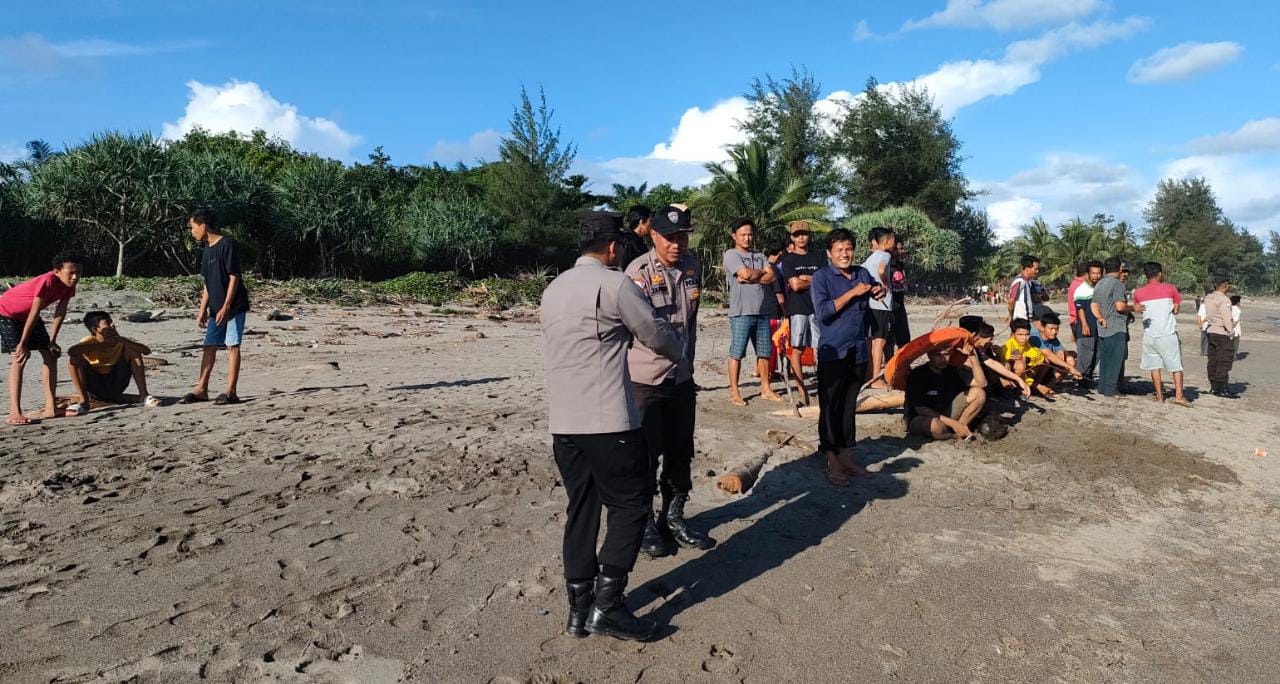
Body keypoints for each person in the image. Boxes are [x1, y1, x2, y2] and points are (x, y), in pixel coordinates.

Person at [541, 210, 683, 642]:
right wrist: (677, 347)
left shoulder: (553, 288)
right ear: (614, 247)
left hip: (563, 422)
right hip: (608, 420)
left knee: (581, 509)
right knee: (630, 506)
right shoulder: (615, 283)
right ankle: (609, 606)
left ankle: (577, 611)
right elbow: (654, 334)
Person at [625, 206, 714, 559]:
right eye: (670, 237)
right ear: (653, 236)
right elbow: (639, 329)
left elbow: (689, 325)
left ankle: (673, 518)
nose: (677, 243)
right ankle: (644, 523)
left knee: (680, 451)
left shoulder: (692, 268)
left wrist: (688, 365)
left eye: (683, 236)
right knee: (645, 455)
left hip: (681, 378)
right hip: (646, 380)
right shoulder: (638, 274)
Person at [810, 228, 883, 486]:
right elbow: (823, 312)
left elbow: (875, 286)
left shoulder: (861, 272)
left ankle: (847, 455)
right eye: (839, 250)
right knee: (830, 406)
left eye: (849, 249)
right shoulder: (821, 278)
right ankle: (831, 458)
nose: (845, 254)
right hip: (833, 351)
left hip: (858, 351)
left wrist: (878, 291)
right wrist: (852, 293)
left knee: (849, 406)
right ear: (829, 253)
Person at [1, 252, 82, 425]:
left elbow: (60, 311)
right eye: (71, 273)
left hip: (29, 316)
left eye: (79, 273)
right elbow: (35, 311)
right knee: (20, 357)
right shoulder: (48, 281)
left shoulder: (69, 285)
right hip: (8, 313)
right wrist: (22, 343)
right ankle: (15, 412)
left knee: (51, 354)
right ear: (57, 271)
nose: (75, 277)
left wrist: (52, 340)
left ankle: (50, 407)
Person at [181, 208, 250, 406]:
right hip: (215, 308)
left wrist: (227, 306)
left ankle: (231, 391)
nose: (192, 231)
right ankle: (201, 388)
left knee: (232, 345)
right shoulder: (207, 249)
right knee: (209, 346)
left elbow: (234, 276)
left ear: (203, 226)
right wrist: (203, 309)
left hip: (233, 306)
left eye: (193, 227)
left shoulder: (227, 244)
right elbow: (207, 283)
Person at [723, 218, 781, 406]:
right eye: (743, 234)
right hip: (741, 312)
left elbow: (771, 277)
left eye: (749, 234)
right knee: (737, 352)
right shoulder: (731, 255)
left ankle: (765, 388)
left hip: (762, 311)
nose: (747, 238)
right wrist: (757, 274)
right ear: (734, 236)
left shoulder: (759, 254)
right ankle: (734, 392)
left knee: (764, 352)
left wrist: (750, 277)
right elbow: (745, 274)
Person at [66, 311, 163, 414]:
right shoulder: (89, 341)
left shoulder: (119, 341)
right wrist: (103, 345)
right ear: (95, 329)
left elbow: (146, 351)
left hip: (116, 382)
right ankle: (84, 401)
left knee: (133, 351)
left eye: (111, 321)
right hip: (95, 385)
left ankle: (144, 396)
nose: (112, 325)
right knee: (74, 360)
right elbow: (72, 351)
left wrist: (123, 340)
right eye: (107, 323)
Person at [778, 221, 825, 405]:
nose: (801, 238)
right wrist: (811, 280)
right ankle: (801, 389)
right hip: (798, 309)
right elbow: (795, 285)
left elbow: (823, 282)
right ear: (792, 237)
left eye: (804, 234)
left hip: (817, 307)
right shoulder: (788, 260)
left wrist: (806, 279)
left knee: (820, 348)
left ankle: (823, 386)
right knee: (797, 348)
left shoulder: (818, 257)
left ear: (809, 235)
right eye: (797, 235)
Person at [1132, 262, 1189, 407]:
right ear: (1159, 273)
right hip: (1167, 334)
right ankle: (1179, 395)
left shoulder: (1138, 293)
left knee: (1154, 366)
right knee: (1176, 366)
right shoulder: (1171, 289)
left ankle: (1159, 395)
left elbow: (1138, 308)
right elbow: (1176, 310)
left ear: (1146, 275)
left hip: (1149, 335)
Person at [906, 347, 987, 440]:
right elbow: (921, 409)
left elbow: (981, 383)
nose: (943, 359)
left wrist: (973, 358)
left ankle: (962, 427)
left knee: (979, 393)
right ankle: (954, 435)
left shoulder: (952, 370)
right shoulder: (918, 374)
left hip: (948, 412)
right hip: (924, 417)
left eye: (946, 354)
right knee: (934, 426)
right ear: (929, 355)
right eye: (938, 355)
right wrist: (953, 423)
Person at [1090, 258, 1135, 398]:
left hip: (1103, 328)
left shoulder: (1099, 284)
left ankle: (1103, 387)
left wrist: (1100, 318)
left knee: (1105, 360)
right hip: (1116, 327)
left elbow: (1094, 305)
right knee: (1115, 360)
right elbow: (1120, 306)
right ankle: (1111, 389)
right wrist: (1134, 308)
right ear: (1119, 269)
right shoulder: (1117, 284)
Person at [862, 227, 896, 388]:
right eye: (893, 240)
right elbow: (882, 269)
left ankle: (869, 375)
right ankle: (876, 378)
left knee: (870, 340)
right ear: (887, 241)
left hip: (869, 303)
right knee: (880, 341)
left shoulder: (870, 258)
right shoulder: (885, 255)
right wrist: (886, 283)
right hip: (882, 304)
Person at [1202, 275, 1238, 399]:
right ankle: (1222, 388)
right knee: (1224, 360)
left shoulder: (1208, 297)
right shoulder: (1224, 300)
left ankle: (1214, 386)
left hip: (1211, 330)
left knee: (1213, 359)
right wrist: (1231, 331)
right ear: (1226, 285)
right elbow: (1226, 317)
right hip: (1221, 332)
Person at [1001, 319, 1055, 398]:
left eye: (1027, 334)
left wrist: (1027, 359)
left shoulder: (1027, 344)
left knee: (1044, 360)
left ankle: (1033, 388)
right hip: (1011, 378)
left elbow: (1039, 357)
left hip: (1027, 377)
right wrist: (1036, 385)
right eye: (1020, 335)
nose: (1024, 338)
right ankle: (1019, 390)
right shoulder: (1011, 346)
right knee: (1020, 364)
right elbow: (1013, 363)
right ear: (1013, 334)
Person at [1030, 312, 1084, 391]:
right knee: (1045, 360)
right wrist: (1071, 368)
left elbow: (1062, 351)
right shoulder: (1035, 337)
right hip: (1032, 370)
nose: (1054, 332)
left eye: (1057, 329)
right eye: (1051, 329)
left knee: (1070, 359)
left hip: (1048, 370)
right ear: (1042, 327)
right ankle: (1035, 387)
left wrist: (1063, 353)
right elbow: (1048, 354)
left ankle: (1048, 386)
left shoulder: (1052, 338)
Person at [1072, 260, 1104, 387]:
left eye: (1098, 273)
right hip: (1087, 326)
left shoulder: (1100, 288)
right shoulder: (1082, 289)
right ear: (1088, 274)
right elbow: (1080, 309)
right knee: (1086, 353)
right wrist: (1084, 324)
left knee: (1098, 353)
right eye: (1093, 273)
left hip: (1099, 327)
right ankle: (1079, 378)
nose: (1096, 276)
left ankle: (1088, 376)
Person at [1006, 255, 1042, 328]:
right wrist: (1011, 316)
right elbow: (1011, 301)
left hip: (1028, 320)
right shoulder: (1020, 281)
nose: (1037, 271)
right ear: (1027, 269)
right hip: (1022, 321)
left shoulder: (1028, 282)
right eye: (1035, 269)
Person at [616, 205, 652, 272]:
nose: (651, 224)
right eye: (649, 221)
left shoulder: (640, 241)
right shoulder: (626, 242)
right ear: (641, 221)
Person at [890, 252, 911, 351]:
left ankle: (903, 363)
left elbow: (905, 281)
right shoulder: (885, 264)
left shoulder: (900, 265)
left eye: (902, 249)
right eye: (898, 249)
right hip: (890, 307)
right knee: (888, 341)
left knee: (904, 338)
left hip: (900, 305)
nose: (901, 252)